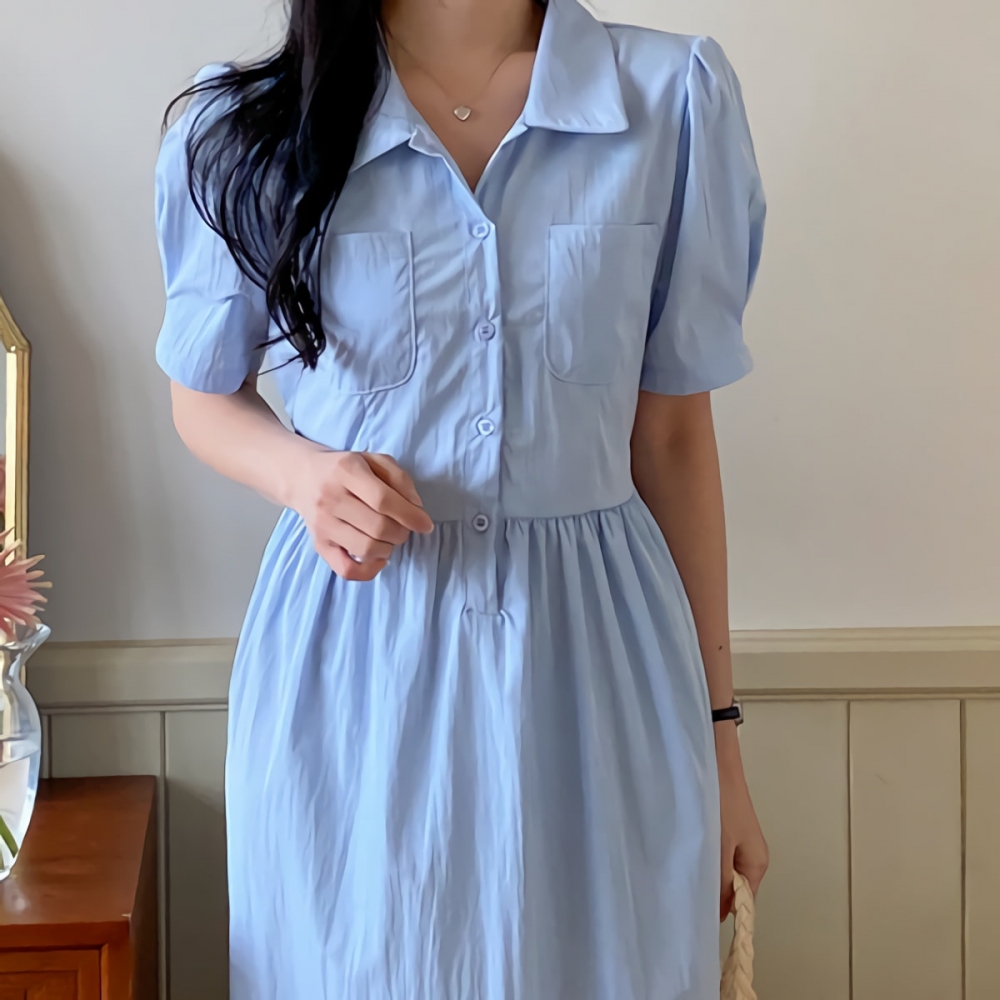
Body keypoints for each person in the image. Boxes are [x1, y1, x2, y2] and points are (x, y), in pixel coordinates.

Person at [154, 0, 768, 995]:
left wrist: (722, 748)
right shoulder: (250, 124)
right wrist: (306, 477)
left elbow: (672, 440)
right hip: (357, 669)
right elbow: (201, 396)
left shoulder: (670, 100)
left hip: (598, 670)